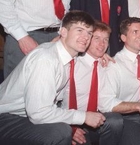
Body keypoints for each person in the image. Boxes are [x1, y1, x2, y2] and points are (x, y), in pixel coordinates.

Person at [0, 10, 105, 144]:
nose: (86, 37)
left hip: (25, 115)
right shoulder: (46, 60)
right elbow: (39, 113)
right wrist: (83, 117)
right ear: (63, 32)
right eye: (80, 30)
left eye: (89, 33)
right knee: (60, 132)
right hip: (6, 117)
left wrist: (101, 56)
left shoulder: (67, 56)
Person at [63, 22, 139, 145]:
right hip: (71, 122)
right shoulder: (72, 64)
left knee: (115, 120)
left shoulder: (107, 65)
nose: (102, 44)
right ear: (87, 40)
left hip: (97, 120)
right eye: (97, 38)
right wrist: (68, 127)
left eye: (105, 40)